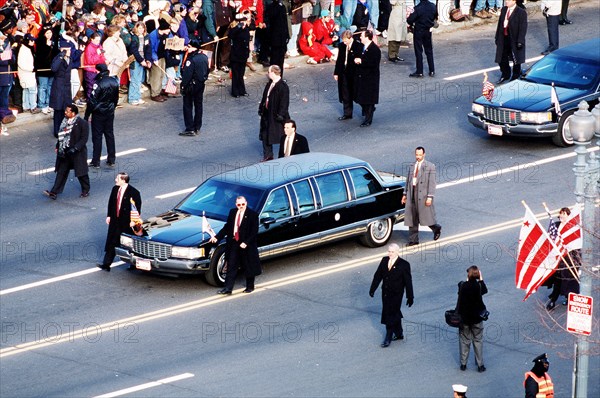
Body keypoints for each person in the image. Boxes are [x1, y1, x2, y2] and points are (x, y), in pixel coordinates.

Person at [210, 196, 262, 294]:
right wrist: (217, 237)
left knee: (248, 265)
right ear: (236, 204)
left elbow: (254, 232)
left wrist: (246, 242)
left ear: (246, 203)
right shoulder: (233, 212)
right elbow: (227, 227)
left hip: (246, 244)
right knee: (231, 265)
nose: (241, 206)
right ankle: (228, 289)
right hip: (234, 242)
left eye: (243, 204)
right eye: (239, 204)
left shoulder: (252, 215)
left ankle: (250, 286)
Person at [369, 243, 414, 347]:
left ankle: (388, 337)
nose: (390, 253)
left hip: (396, 295)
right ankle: (399, 333)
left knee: (389, 314)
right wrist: (372, 289)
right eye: (389, 251)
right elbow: (378, 276)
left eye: (392, 252)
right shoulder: (384, 261)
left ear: (397, 252)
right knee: (394, 312)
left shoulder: (404, 265)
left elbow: (408, 282)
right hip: (385, 293)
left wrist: (410, 296)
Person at [43, 105, 90, 200]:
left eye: (67, 111)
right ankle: (54, 191)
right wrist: (58, 146)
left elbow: (84, 139)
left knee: (81, 173)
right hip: (65, 152)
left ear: (73, 113)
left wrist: (75, 148)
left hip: (77, 153)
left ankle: (85, 190)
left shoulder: (82, 123)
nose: (65, 112)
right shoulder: (64, 121)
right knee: (61, 172)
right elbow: (62, 136)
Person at [99, 172, 142, 272]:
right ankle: (106, 264)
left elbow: (136, 208)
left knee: (129, 244)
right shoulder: (115, 189)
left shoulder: (134, 192)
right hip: (115, 220)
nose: (115, 180)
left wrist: (134, 221)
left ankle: (133, 264)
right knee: (112, 242)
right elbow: (111, 203)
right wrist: (109, 216)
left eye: (117, 178)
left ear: (123, 180)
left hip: (126, 222)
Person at [401, 146, 441, 245]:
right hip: (412, 193)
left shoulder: (430, 166)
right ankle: (413, 240)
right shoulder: (412, 165)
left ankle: (436, 228)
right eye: (416, 154)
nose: (418, 157)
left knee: (425, 217)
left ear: (424, 154)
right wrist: (405, 194)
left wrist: (430, 197)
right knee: (412, 217)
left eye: (420, 155)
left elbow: (432, 183)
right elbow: (408, 181)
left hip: (422, 195)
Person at [545, 207, 581, 310]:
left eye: (564, 214)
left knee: (569, 281)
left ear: (568, 216)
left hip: (570, 259)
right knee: (557, 281)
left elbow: (576, 244)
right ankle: (553, 301)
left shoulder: (573, 228)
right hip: (558, 259)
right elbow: (550, 239)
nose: (561, 215)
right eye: (560, 213)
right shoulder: (555, 225)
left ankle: (569, 298)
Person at [84, 63, 119, 168]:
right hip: (110, 112)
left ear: (99, 71)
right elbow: (116, 98)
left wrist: (87, 115)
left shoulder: (98, 83)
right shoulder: (114, 81)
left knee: (97, 137)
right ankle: (111, 159)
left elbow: (92, 101)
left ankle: (96, 161)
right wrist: (112, 108)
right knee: (109, 135)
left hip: (98, 113)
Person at [457, 265, 487, 373]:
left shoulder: (462, 286)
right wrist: (481, 279)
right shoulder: (478, 286)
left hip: (465, 319)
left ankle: (463, 364)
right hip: (477, 318)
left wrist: (467, 280)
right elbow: (485, 290)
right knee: (478, 340)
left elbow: (460, 294)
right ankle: (480, 365)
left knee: (465, 341)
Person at [258, 65, 290, 162]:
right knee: (265, 134)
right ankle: (268, 155)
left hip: (276, 115)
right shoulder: (269, 84)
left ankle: (286, 153)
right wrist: (261, 109)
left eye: (269, 72)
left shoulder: (282, 86)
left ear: (273, 73)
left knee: (282, 135)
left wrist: (280, 114)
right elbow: (265, 97)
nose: (268, 74)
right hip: (267, 113)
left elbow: (284, 102)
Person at [50, 45, 82, 138]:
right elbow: (54, 68)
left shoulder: (70, 59)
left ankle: (65, 128)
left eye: (69, 49)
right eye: (67, 50)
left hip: (67, 87)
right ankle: (57, 131)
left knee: (67, 109)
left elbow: (76, 63)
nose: (69, 51)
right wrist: (61, 55)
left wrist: (79, 51)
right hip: (59, 87)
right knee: (58, 110)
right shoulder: (58, 58)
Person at [179, 40, 209, 136]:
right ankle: (197, 126)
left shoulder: (191, 59)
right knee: (198, 105)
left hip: (191, 85)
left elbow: (187, 75)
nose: (188, 48)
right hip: (201, 84)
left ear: (193, 47)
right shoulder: (204, 57)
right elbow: (207, 70)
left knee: (187, 106)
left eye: (189, 46)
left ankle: (190, 128)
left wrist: (183, 85)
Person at [494, 0, 527, 84]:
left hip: (514, 38)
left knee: (516, 58)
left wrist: (520, 41)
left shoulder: (521, 12)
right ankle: (505, 74)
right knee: (501, 57)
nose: (506, 2)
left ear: (514, 1)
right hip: (504, 37)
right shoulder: (504, 9)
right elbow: (500, 24)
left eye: (508, 0)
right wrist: (497, 37)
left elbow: (523, 28)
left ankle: (515, 75)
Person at [353, 29, 380, 127]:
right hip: (362, 77)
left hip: (370, 78)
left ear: (367, 37)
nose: (360, 38)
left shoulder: (374, 49)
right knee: (360, 98)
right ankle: (369, 111)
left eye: (362, 36)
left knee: (369, 100)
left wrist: (361, 61)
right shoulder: (362, 47)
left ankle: (368, 120)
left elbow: (373, 64)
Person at [334, 30, 362, 120]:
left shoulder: (358, 46)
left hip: (354, 73)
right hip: (344, 72)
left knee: (356, 93)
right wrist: (336, 73)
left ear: (351, 38)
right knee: (345, 93)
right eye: (343, 40)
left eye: (346, 40)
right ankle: (347, 113)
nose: (344, 42)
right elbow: (339, 60)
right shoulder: (342, 46)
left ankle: (367, 108)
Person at [406, 0, 437, 78]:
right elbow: (435, 16)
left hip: (419, 30)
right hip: (428, 30)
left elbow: (410, 20)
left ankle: (419, 71)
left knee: (419, 51)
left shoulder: (418, 8)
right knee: (429, 50)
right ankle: (432, 70)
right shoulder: (433, 6)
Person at [229, 10, 251, 98]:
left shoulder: (246, 29)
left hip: (243, 54)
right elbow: (230, 35)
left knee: (241, 74)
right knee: (236, 74)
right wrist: (238, 27)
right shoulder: (234, 29)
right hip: (235, 54)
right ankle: (235, 91)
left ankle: (242, 90)